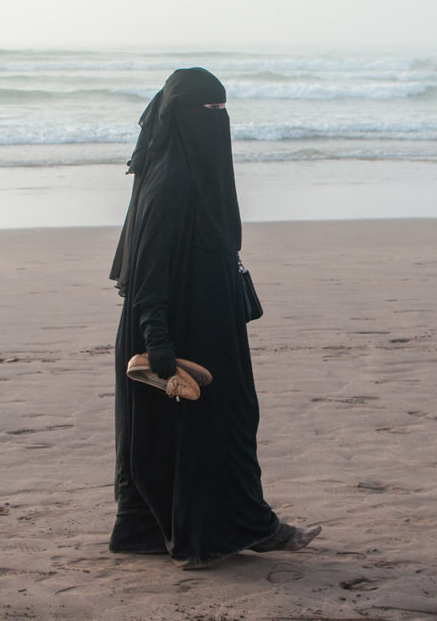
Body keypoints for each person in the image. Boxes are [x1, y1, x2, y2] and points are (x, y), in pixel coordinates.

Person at [108, 67, 320, 569]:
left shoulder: (185, 172)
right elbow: (149, 272)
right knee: (215, 425)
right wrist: (157, 339)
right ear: (183, 117)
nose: (218, 121)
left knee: (188, 427)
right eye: (209, 112)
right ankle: (242, 529)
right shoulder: (174, 181)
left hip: (203, 320)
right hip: (177, 325)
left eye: (224, 112)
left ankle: (169, 531)